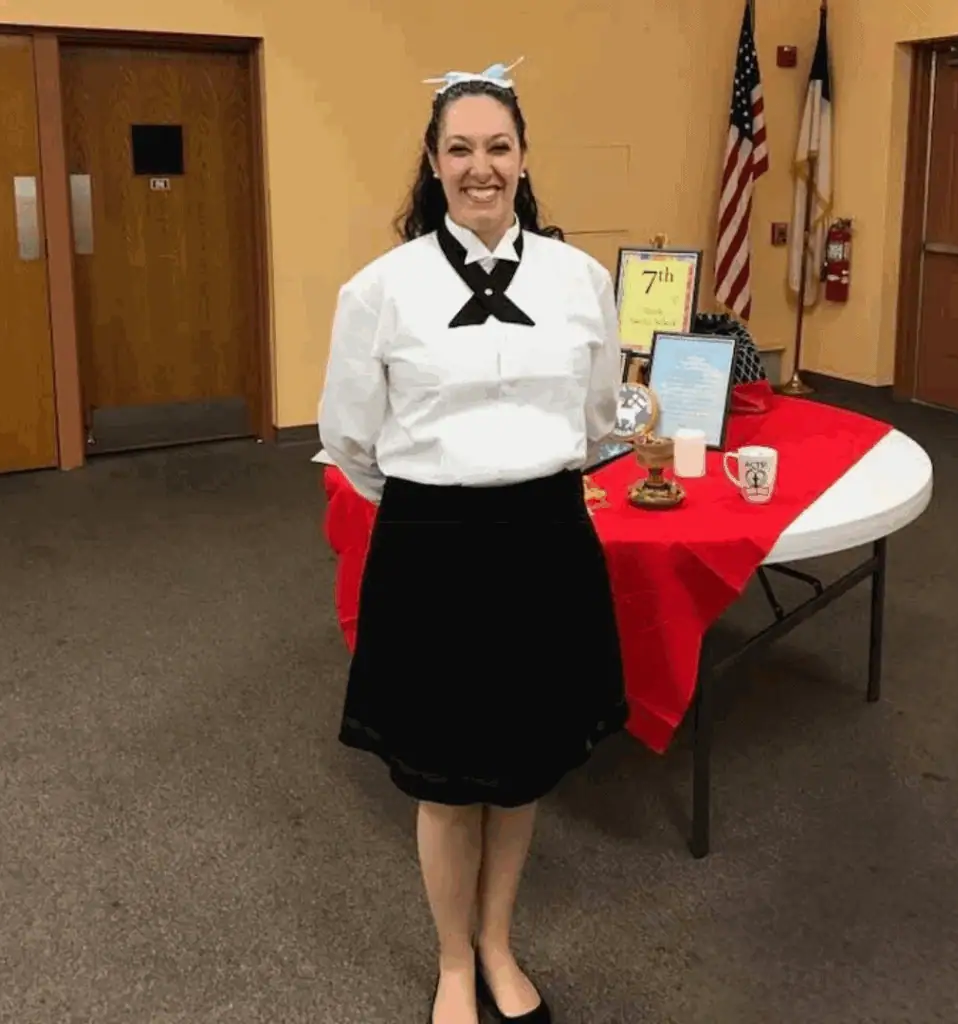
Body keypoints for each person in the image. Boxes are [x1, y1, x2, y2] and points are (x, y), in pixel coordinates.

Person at [317, 58, 628, 1024]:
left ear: (524, 157)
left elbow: (595, 424)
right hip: (433, 547)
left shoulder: (580, 281)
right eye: (461, 148)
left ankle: (499, 940)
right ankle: (454, 961)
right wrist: (441, 497)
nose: (481, 166)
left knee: (523, 765)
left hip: (543, 540)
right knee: (448, 782)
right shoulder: (380, 289)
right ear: (433, 160)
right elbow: (352, 444)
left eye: (499, 146)